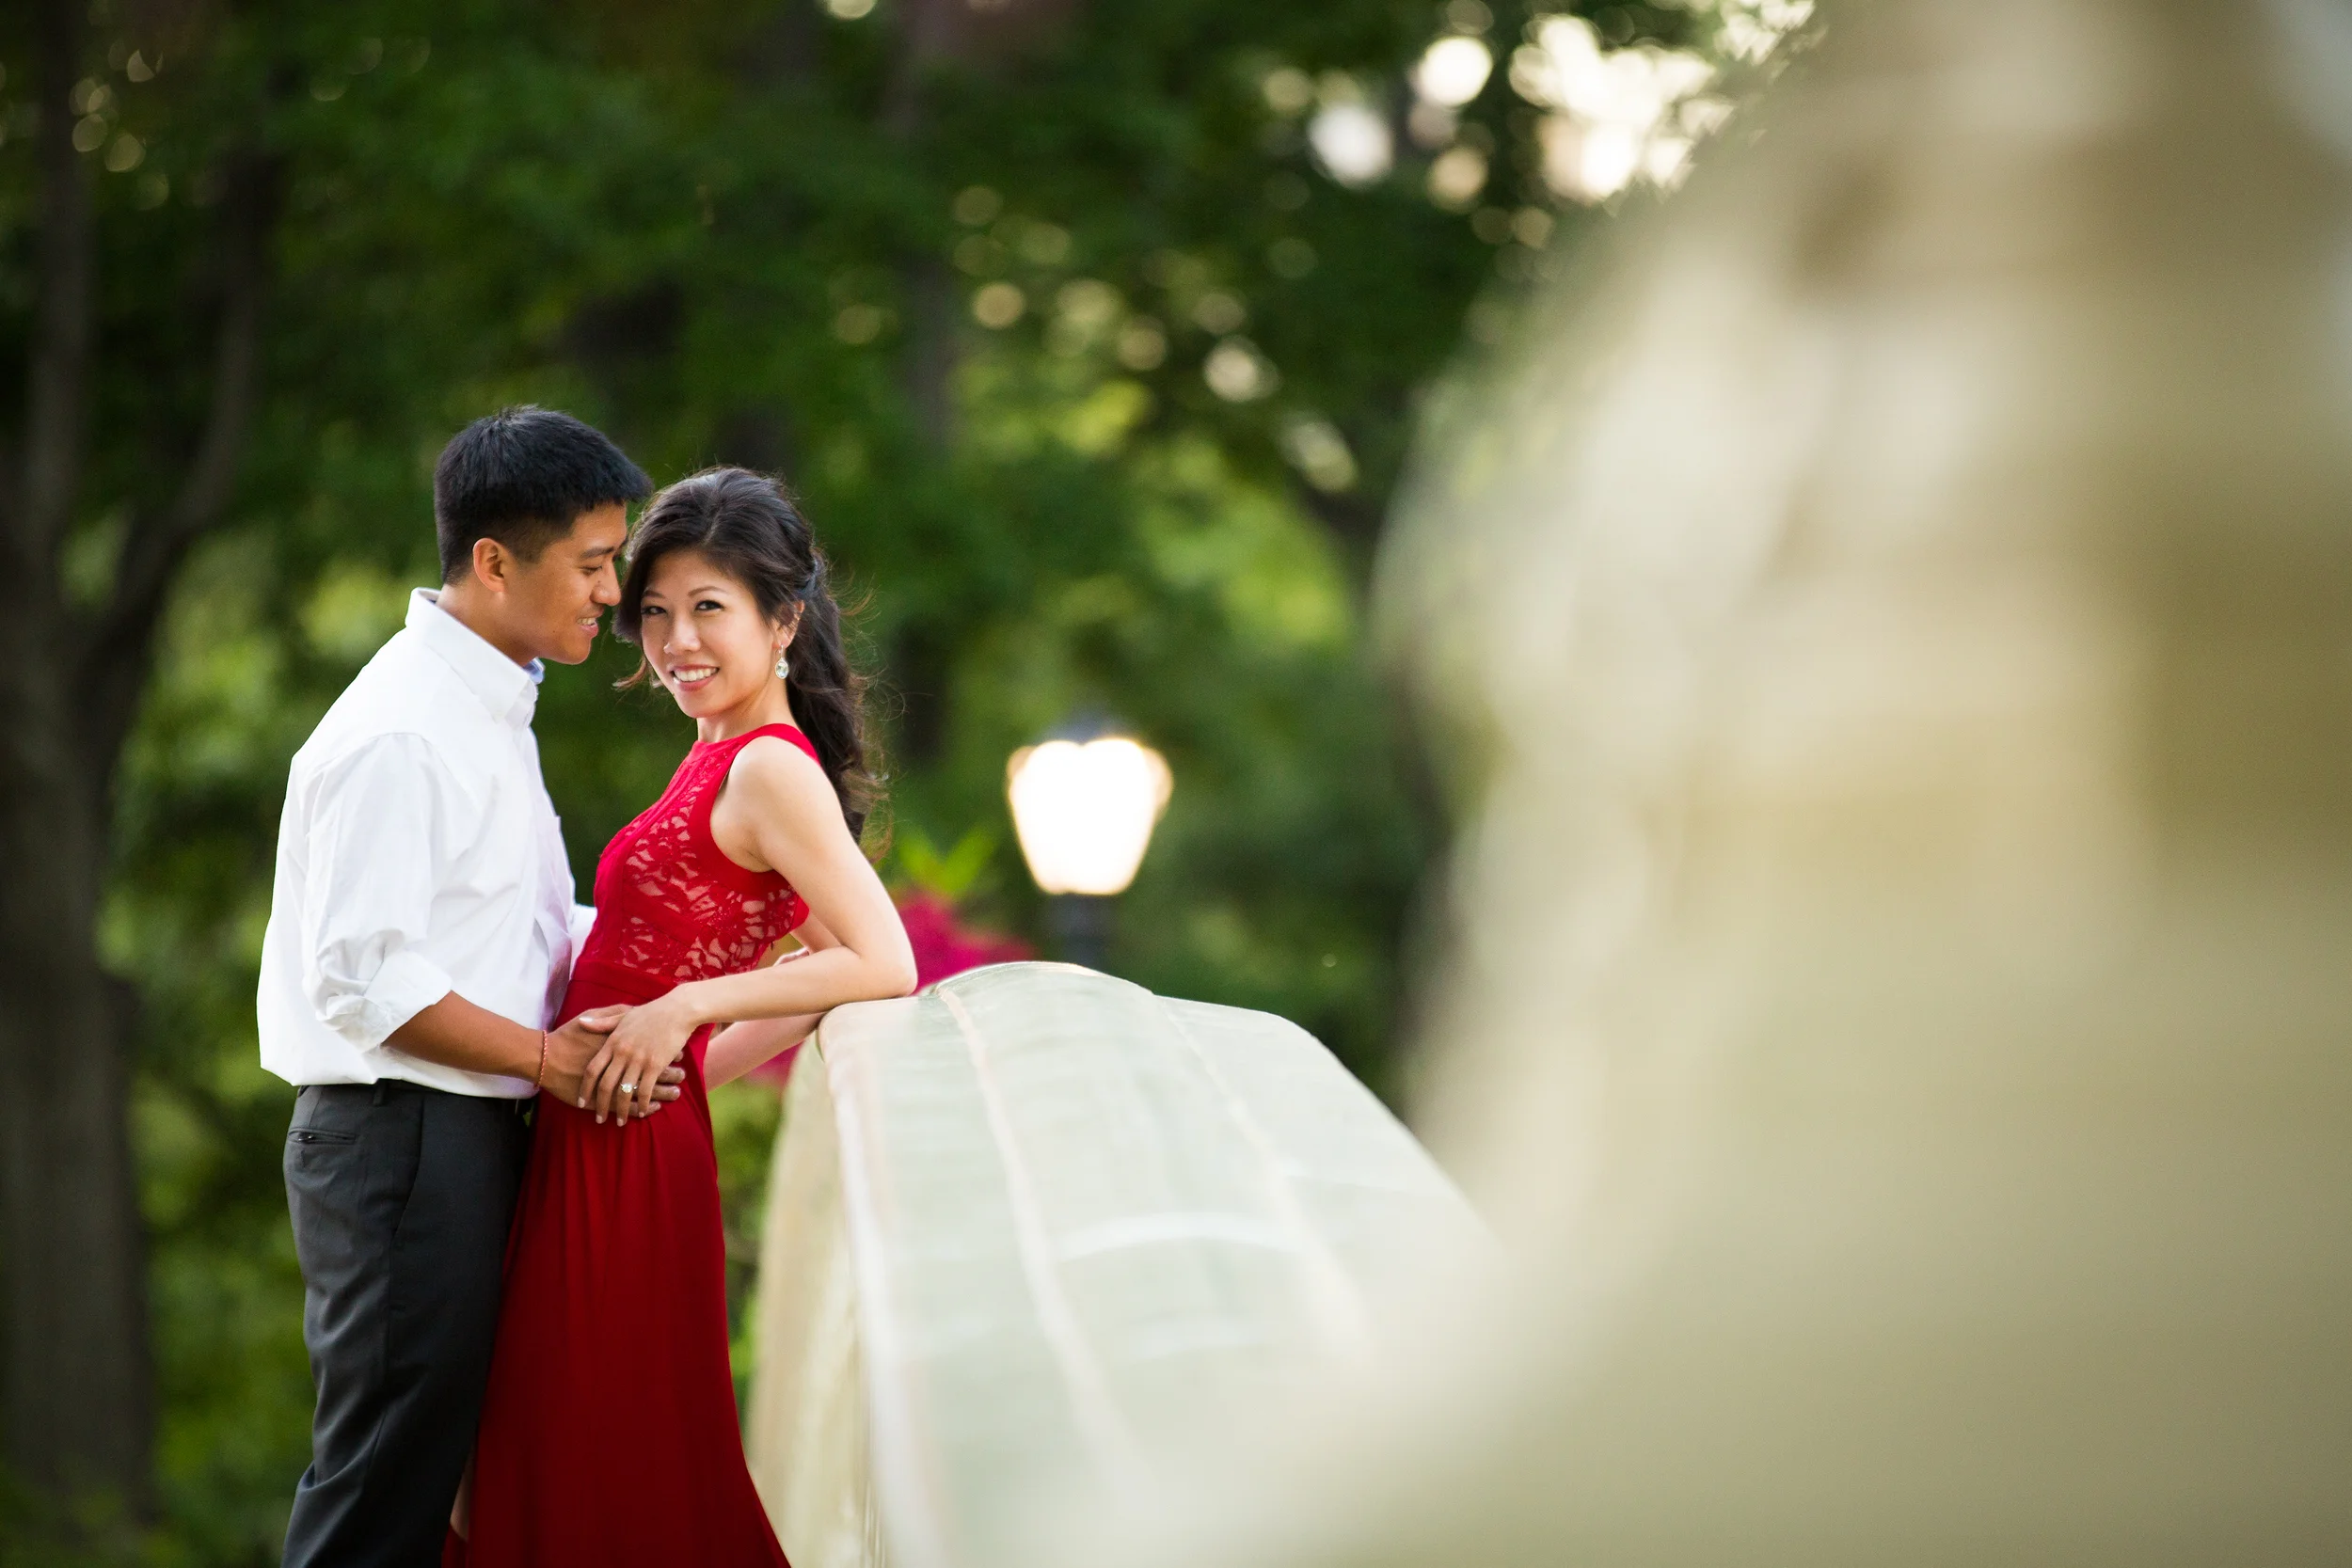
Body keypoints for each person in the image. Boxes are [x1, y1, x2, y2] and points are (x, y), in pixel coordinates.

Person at [452, 467, 917, 1565]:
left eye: (709, 606)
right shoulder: (714, 752)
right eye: (654, 611)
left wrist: (689, 1007)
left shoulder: (769, 768)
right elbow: (810, 974)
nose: (675, 641)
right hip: (608, 1129)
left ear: (783, 619)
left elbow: (881, 960)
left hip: (623, 1168)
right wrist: (679, 1060)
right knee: (563, 1452)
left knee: (597, 1458)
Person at [261, 406, 683, 1567]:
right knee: (380, 1495)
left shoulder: (489, 707)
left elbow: (520, 935)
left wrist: (716, 969)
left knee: (435, 1488)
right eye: (592, 565)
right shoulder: (404, 728)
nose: (613, 594)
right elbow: (364, 979)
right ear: (494, 562)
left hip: (458, 1137)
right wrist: (554, 1061)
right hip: (402, 1141)